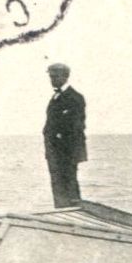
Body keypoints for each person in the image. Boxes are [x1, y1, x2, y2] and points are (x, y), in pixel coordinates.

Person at [43, 62, 86, 207]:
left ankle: (74, 212)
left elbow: (77, 126)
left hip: (67, 150)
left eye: (55, 76)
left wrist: (61, 141)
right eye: (51, 77)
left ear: (65, 77)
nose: (52, 80)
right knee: (57, 183)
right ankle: (61, 210)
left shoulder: (75, 98)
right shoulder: (55, 98)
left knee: (69, 181)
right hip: (54, 150)